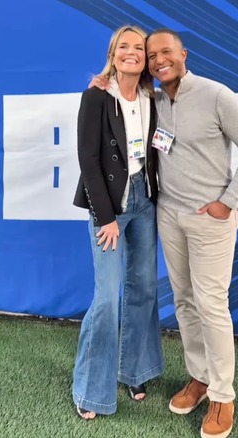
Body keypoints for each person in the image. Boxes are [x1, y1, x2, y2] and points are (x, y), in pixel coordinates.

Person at [147, 28, 238, 438]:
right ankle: (199, 377)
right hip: (169, 215)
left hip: (209, 219)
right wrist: (101, 82)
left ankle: (223, 395)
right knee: (183, 300)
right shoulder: (154, 100)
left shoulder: (216, 95)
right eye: (152, 55)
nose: (159, 60)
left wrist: (227, 202)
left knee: (211, 304)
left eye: (166, 52)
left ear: (183, 54)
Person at [71, 24, 164, 420]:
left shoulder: (152, 97)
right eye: (123, 46)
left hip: (145, 200)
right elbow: (88, 161)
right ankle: (89, 390)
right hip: (109, 205)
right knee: (107, 298)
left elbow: (160, 147)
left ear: (145, 58)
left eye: (138, 48)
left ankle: (134, 371)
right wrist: (105, 217)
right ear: (112, 55)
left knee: (144, 289)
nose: (131, 52)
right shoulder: (95, 96)